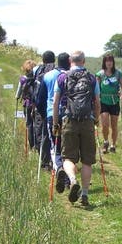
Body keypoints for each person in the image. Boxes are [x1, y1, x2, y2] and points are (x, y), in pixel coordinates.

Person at [52, 50, 100, 208]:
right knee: (87, 161)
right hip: (87, 121)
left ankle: (72, 180)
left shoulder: (62, 77)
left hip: (69, 120)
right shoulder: (92, 78)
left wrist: (55, 123)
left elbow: (56, 102)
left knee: (68, 158)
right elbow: (97, 102)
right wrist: (96, 119)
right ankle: (84, 194)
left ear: (70, 61)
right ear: (84, 61)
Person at [43, 52, 71, 192]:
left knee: (56, 145)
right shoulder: (71, 76)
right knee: (67, 147)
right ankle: (67, 178)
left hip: (52, 114)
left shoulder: (47, 76)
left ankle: (59, 168)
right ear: (69, 62)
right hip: (68, 115)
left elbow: (42, 97)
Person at [96, 53, 122, 154]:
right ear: (104, 62)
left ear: (113, 62)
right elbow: (96, 88)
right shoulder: (100, 74)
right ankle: (105, 142)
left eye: (111, 61)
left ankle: (113, 145)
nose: (109, 63)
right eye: (107, 61)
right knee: (104, 124)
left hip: (114, 101)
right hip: (103, 101)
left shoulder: (118, 73)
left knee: (114, 124)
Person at [32, 50, 56, 170]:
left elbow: (34, 88)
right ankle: (54, 160)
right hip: (52, 107)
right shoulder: (56, 71)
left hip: (40, 106)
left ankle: (44, 160)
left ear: (43, 59)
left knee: (41, 132)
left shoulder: (37, 70)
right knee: (51, 134)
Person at [15, 58, 36, 151]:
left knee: (29, 124)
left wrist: (17, 97)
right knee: (36, 124)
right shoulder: (37, 78)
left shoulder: (23, 79)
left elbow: (18, 93)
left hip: (27, 104)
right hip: (36, 104)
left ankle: (31, 145)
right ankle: (37, 144)